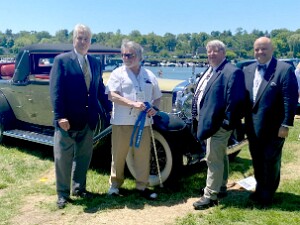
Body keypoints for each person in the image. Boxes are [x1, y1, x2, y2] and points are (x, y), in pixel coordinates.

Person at [50, 24, 112, 209]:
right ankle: (62, 194)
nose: (83, 41)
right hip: (67, 121)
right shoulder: (62, 61)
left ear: (90, 41)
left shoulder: (94, 62)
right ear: (74, 39)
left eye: (86, 38)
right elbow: (56, 91)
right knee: (63, 158)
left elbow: (99, 89)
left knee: (83, 157)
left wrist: (109, 108)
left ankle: (79, 188)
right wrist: (60, 116)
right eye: (80, 38)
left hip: (88, 119)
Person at [243, 37, 298, 207]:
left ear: (272, 49)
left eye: (263, 49)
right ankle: (260, 189)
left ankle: (267, 195)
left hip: (274, 127)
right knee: (257, 159)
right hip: (252, 126)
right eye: (257, 49)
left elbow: (290, 98)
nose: (260, 52)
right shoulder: (248, 69)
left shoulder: (284, 69)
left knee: (270, 161)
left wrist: (286, 124)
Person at [192, 40, 245, 210]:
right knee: (220, 155)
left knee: (212, 158)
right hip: (210, 123)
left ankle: (210, 196)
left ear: (224, 53)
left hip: (219, 125)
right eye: (209, 51)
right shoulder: (211, 70)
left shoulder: (232, 71)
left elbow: (235, 101)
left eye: (216, 51)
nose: (211, 54)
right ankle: (220, 187)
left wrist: (226, 124)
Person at [105, 40, 162, 200]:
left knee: (143, 155)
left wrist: (155, 109)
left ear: (139, 56)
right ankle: (115, 185)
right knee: (118, 155)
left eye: (129, 55)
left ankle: (142, 186)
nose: (126, 58)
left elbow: (157, 97)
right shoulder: (117, 73)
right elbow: (112, 95)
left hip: (143, 123)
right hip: (121, 122)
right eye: (123, 55)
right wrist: (132, 103)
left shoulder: (149, 75)